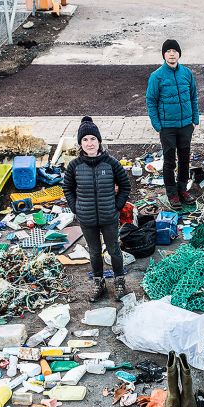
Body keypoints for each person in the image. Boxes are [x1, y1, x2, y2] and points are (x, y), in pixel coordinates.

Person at [63, 116, 132, 302]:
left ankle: (119, 283)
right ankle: (99, 284)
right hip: (86, 218)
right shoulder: (74, 166)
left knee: (114, 250)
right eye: (85, 139)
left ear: (99, 141)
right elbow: (67, 188)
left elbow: (125, 185)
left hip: (109, 216)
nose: (89, 143)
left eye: (93, 138)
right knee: (94, 252)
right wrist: (76, 207)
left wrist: (116, 206)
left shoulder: (110, 163)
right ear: (80, 144)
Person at [146, 39, 199, 210]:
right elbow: (151, 100)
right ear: (164, 55)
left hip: (185, 125)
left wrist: (194, 119)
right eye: (168, 51)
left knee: (184, 159)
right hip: (167, 127)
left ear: (179, 54)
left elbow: (193, 97)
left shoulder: (187, 73)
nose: (171, 54)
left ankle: (182, 189)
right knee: (169, 161)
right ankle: (172, 194)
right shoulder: (157, 76)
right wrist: (157, 125)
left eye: (174, 51)